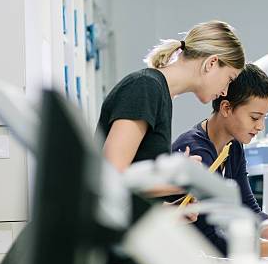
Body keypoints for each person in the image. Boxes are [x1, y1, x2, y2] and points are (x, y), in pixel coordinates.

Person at [96, 21, 245, 198]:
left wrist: (173, 208)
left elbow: (135, 186)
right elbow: (110, 177)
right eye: (229, 79)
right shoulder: (145, 87)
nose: (225, 91)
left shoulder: (161, 94)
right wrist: (182, 180)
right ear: (211, 63)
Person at [172, 63, 268, 253]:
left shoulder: (232, 145)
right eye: (254, 117)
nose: (260, 126)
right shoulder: (196, 152)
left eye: (264, 118)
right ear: (226, 108)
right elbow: (210, 238)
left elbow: (250, 211)